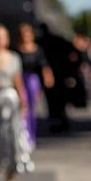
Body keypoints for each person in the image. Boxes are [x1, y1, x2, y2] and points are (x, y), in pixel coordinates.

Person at [0, 23, 30, 181]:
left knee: (11, 141)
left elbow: (18, 82)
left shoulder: (13, 58)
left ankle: (10, 178)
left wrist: (23, 102)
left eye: (1, 36)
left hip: (10, 105)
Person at [14, 21, 54, 150]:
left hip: (32, 80)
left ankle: (31, 135)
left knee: (31, 109)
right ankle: (24, 136)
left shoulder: (37, 49)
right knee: (23, 108)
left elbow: (43, 65)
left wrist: (48, 77)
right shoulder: (17, 50)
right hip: (20, 79)